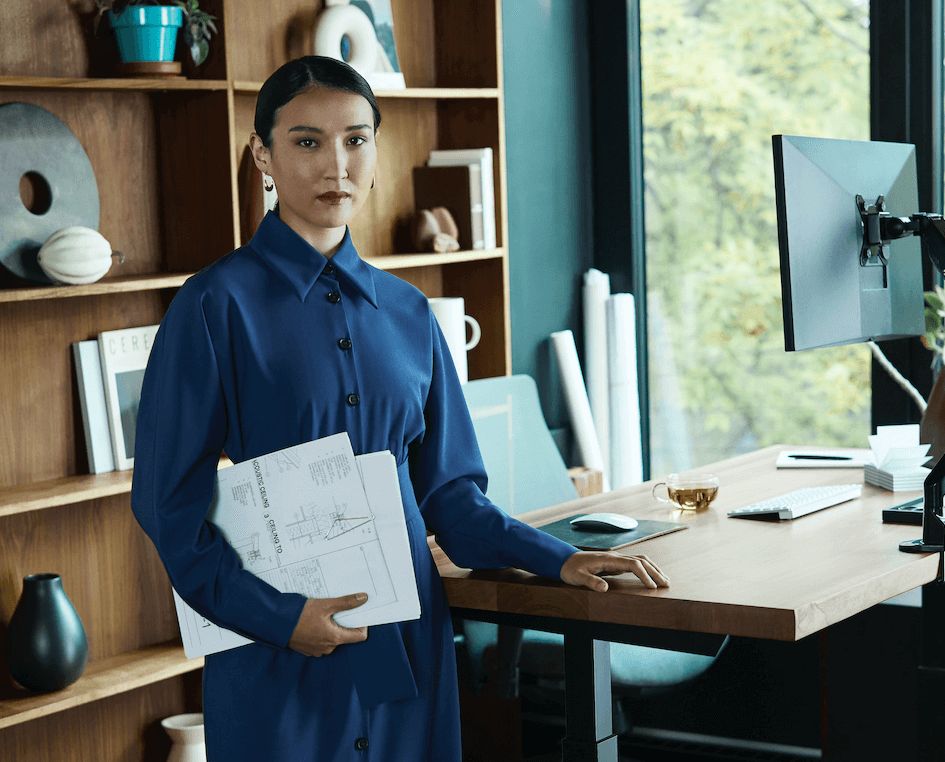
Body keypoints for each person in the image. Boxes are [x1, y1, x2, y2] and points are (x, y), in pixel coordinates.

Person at [130, 56, 670, 761]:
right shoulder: (212, 306)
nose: (336, 165)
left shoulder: (410, 314)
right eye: (306, 141)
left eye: (356, 140)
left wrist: (561, 559)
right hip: (275, 648)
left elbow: (453, 500)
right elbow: (167, 506)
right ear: (261, 153)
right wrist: (282, 618)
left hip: (406, 642)